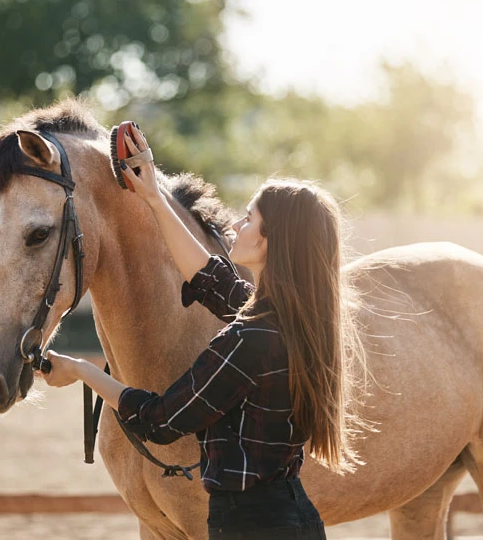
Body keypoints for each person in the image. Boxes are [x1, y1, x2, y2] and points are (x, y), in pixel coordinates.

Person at [43, 126, 364, 539]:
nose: (235, 224)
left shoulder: (248, 340)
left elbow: (161, 420)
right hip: (293, 518)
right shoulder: (289, 320)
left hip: (247, 528)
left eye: (249, 219)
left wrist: (83, 372)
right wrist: (155, 198)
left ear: (269, 243)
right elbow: (210, 277)